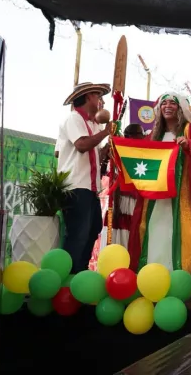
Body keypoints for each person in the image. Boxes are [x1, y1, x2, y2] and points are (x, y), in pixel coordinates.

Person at [127, 93, 191, 273]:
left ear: (180, 108)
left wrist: (189, 144)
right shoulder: (153, 135)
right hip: (156, 197)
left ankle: (182, 272)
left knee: (179, 230)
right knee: (156, 228)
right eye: (164, 103)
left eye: (172, 103)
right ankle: (152, 271)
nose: (167, 106)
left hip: (183, 196)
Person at [58, 82, 112, 273]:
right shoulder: (73, 118)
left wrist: (106, 148)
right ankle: (69, 275)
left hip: (90, 188)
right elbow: (81, 145)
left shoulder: (92, 124)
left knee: (93, 229)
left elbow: (91, 152)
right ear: (89, 97)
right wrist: (106, 132)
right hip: (75, 185)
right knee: (78, 233)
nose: (101, 101)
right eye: (98, 96)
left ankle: (79, 272)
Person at [110, 123, 145, 247]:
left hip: (136, 199)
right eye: (141, 134)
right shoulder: (120, 150)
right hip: (125, 200)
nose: (143, 137)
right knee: (123, 235)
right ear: (133, 136)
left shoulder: (143, 151)